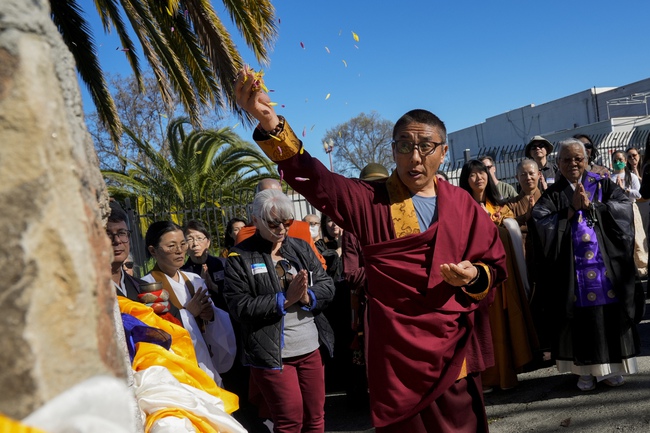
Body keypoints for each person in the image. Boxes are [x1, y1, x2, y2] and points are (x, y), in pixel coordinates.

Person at [236, 68, 507, 433]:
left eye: (426, 146)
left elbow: (493, 265)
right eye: (405, 146)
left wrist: (474, 275)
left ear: (443, 152)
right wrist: (272, 125)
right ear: (392, 150)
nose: (415, 156)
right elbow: (316, 180)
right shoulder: (368, 200)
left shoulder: (462, 204)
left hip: (451, 344)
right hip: (396, 350)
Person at [530, 138, 643, 391]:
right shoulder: (554, 193)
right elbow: (539, 221)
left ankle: (610, 369)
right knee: (579, 320)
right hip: (572, 272)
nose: (572, 163)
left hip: (605, 268)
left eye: (578, 159)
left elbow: (624, 207)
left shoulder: (602, 184)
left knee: (607, 316)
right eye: (567, 159)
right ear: (558, 163)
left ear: (586, 160)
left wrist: (596, 208)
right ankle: (585, 373)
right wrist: (569, 211)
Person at [224, 189, 335, 433]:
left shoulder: (300, 247)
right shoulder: (239, 257)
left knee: (316, 418)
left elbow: (327, 285)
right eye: (274, 224)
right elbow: (239, 307)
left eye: (287, 222)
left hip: (310, 346)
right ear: (256, 221)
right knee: (289, 422)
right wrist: (284, 300)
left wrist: (306, 296)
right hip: (272, 354)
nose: (282, 229)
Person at [459, 160, 538, 392]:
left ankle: (508, 373)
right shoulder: (462, 208)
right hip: (480, 278)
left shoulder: (501, 207)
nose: (478, 178)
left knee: (507, 322)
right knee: (487, 326)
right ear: (466, 180)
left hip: (505, 277)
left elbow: (511, 231)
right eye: (472, 175)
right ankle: (489, 377)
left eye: (481, 173)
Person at [141, 221, 237, 387]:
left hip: (205, 363)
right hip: (177, 372)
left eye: (182, 244)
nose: (179, 251)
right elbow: (156, 332)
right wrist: (188, 313)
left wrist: (211, 316)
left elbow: (216, 324)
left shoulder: (195, 280)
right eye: (171, 246)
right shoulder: (147, 287)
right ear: (153, 250)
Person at [236, 178, 327, 269]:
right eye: (272, 223)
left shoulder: (301, 229)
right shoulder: (244, 235)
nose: (281, 228)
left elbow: (319, 266)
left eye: (279, 197)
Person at [181, 220, 228, 310]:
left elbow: (234, 295)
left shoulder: (223, 264)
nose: (195, 244)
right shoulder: (182, 272)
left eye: (199, 238)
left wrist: (213, 286)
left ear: (208, 242)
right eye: (190, 239)